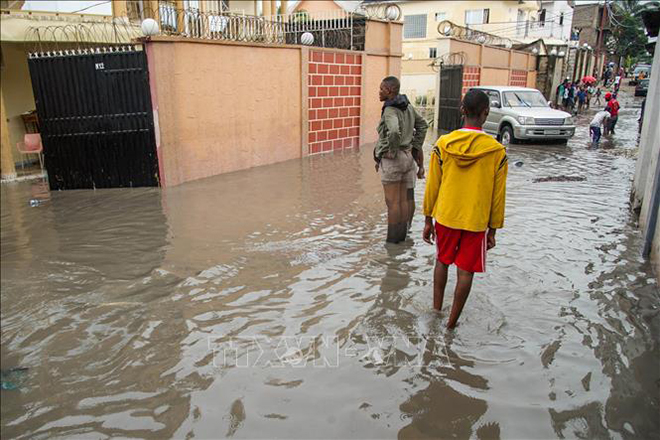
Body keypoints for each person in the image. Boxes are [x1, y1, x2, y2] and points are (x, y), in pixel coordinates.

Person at [422, 89, 507, 329]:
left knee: (442, 261)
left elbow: (432, 186)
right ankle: (451, 324)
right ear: (486, 113)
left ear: (462, 111)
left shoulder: (443, 144)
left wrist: (428, 218)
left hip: (446, 217)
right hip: (476, 220)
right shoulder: (497, 151)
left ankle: (436, 311)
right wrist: (493, 230)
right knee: (465, 272)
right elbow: (498, 196)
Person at [374, 76, 428, 243]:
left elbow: (394, 131)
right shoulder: (408, 106)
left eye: (381, 89)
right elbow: (423, 125)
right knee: (405, 200)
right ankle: (404, 237)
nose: (379, 91)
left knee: (393, 204)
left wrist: (390, 149)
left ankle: (392, 244)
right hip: (408, 157)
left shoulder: (390, 110)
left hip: (394, 159)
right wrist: (415, 146)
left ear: (389, 91)